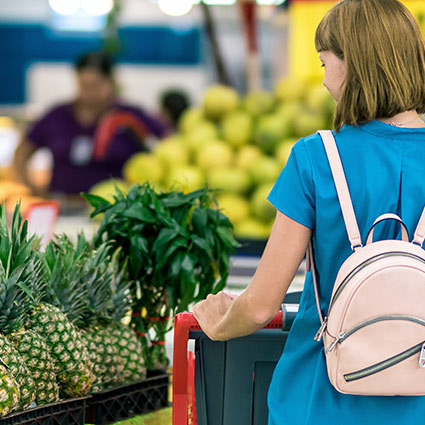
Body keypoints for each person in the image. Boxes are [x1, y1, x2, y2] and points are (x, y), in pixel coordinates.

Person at [193, 0, 425, 423]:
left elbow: (262, 304)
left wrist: (218, 324)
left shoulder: (317, 158)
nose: (323, 81)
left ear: (353, 64)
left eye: (324, 63)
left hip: (319, 398)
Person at [14, 51, 170, 197]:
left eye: (95, 86)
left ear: (111, 82)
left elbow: (169, 142)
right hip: (63, 206)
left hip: (117, 211)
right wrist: (32, 188)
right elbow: (22, 152)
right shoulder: (57, 116)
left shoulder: (129, 116)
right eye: (84, 85)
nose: (89, 93)